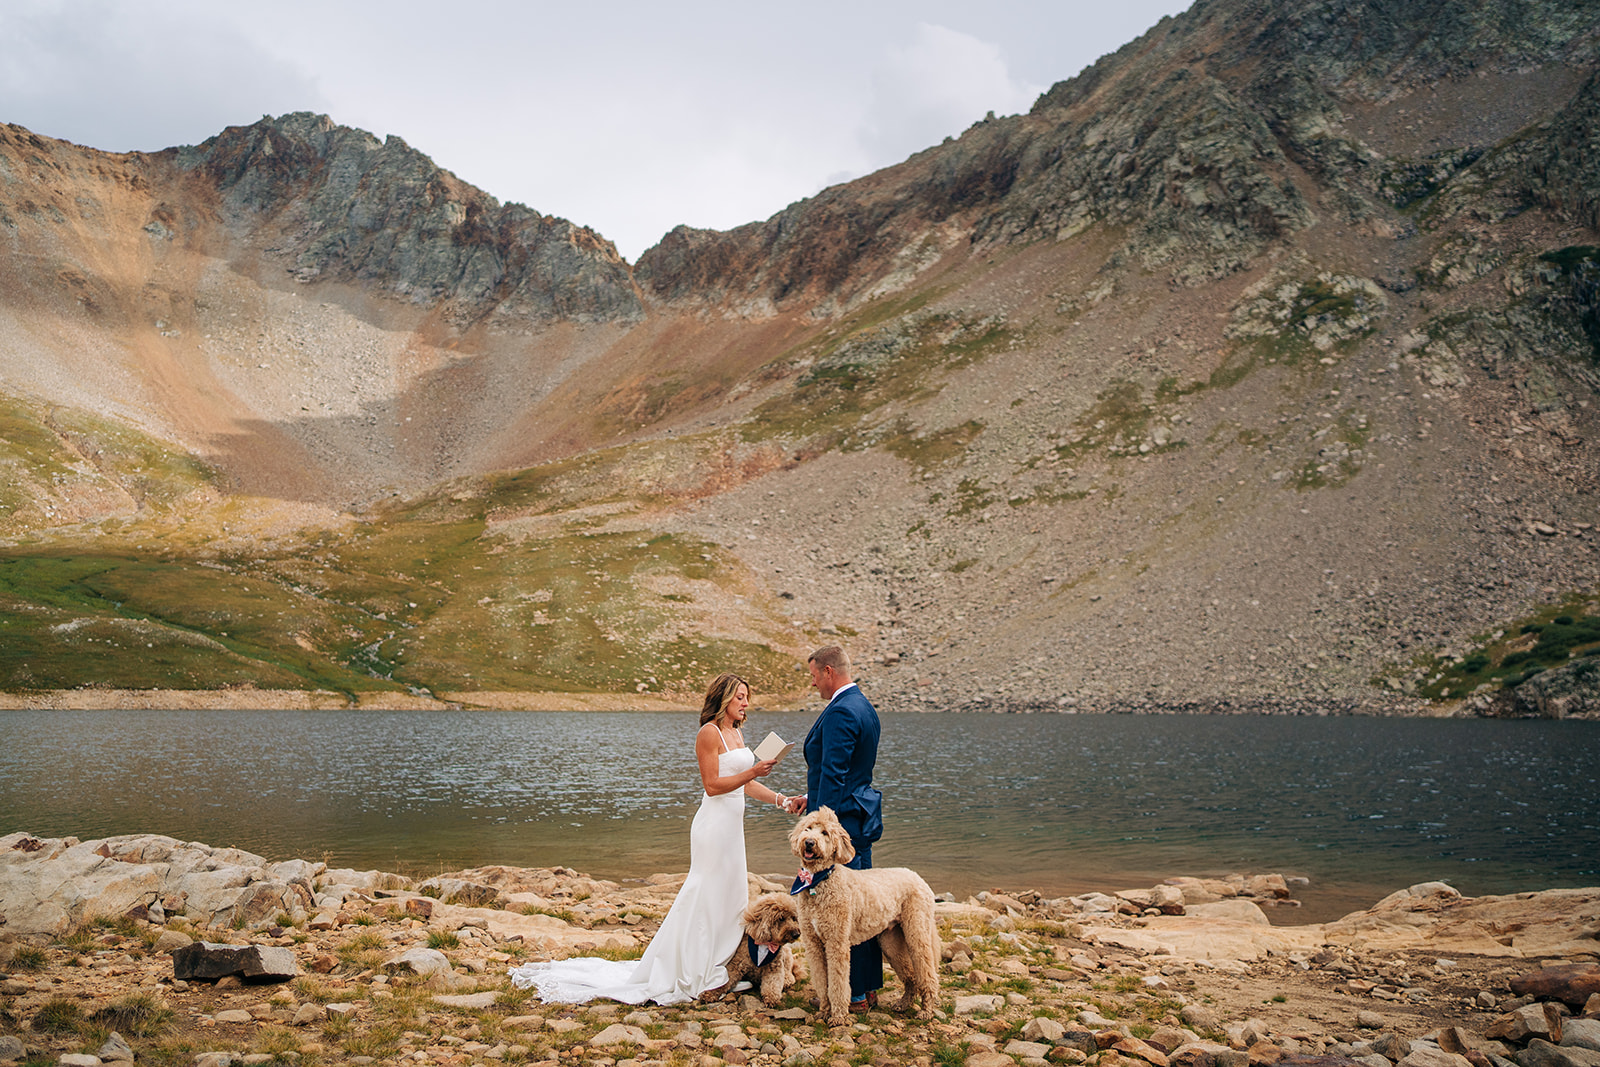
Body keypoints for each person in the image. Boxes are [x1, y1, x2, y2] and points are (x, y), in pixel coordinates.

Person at [507, 672, 788, 1004]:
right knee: (706, 893)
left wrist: (781, 800)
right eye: (740, 697)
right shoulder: (708, 734)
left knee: (731, 893)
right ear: (724, 698)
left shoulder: (737, 734)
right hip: (712, 827)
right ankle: (694, 967)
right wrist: (753, 770)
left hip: (732, 829)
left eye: (747, 698)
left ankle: (722, 961)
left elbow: (743, 783)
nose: (745, 703)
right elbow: (712, 786)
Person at [783, 645, 883, 1012]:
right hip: (857, 812)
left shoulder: (841, 711)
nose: (812, 684)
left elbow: (835, 773)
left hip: (841, 826)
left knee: (844, 911)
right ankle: (867, 987)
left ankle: (852, 994)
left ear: (828, 671)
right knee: (863, 910)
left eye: (813, 676)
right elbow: (850, 774)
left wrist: (817, 825)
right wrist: (810, 797)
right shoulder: (864, 706)